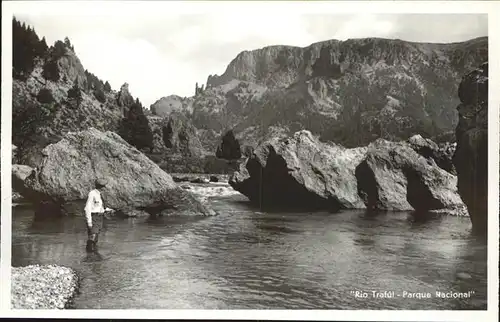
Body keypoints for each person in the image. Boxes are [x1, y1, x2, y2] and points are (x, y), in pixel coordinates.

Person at [84, 178, 113, 252]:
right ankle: (90, 255)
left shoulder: (100, 194)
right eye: (104, 186)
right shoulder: (92, 194)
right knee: (92, 236)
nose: (105, 188)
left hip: (100, 217)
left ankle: (93, 255)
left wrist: (108, 210)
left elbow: (100, 207)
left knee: (96, 237)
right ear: (101, 187)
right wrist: (89, 222)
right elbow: (87, 208)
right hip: (94, 217)